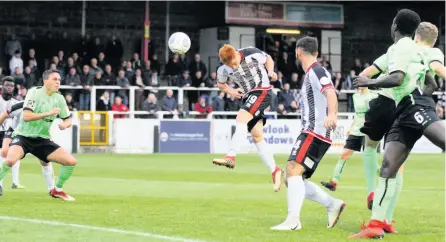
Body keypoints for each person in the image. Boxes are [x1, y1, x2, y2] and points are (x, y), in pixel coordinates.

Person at [350, 9, 445, 239]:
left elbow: (397, 78)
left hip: (414, 106)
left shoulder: (402, 46)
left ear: (394, 25)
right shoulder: (406, 50)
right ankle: (377, 225)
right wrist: (422, 86)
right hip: (404, 111)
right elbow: (432, 83)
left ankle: (380, 222)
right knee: (388, 168)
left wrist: (369, 83)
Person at [271, 37, 345, 230]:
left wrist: (332, 114)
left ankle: (293, 221)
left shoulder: (316, 71)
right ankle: (332, 204)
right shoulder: (311, 74)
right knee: (293, 177)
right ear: (317, 53)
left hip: (315, 132)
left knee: (293, 170)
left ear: (298, 53)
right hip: (314, 132)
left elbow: (330, 92)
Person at [211, 45, 283, 192]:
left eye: (235, 63)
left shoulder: (250, 53)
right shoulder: (222, 68)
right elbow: (221, 84)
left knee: (241, 118)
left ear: (236, 54)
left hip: (262, 91)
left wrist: (270, 71)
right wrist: (231, 91)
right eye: (231, 66)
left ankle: (231, 156)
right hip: (248, 96)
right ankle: (275, 170)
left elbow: (268, 58)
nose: (234, 67)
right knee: (257, 136)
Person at [0, 69, 77, 201]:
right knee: (10, 159)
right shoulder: (34, 93)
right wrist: (49, 113)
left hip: (42, 139)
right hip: (23, 136)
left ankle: (56, 190)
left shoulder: (59, 98)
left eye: (59, 80)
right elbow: (28, 116)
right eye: (54, 79)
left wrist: (65, 124)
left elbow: (68, 119)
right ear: (45, 80)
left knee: (71, 162)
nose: (58, 82)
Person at [320, 87, 378, 191]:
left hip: (368, 130)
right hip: (356, 131)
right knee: (344, 155)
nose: (359, 84)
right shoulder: (355, 96)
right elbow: (357, 114)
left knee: (369, 159)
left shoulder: (373, 96)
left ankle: (386, 174)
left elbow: (376, 112)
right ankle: (334, 182)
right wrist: (351, 127)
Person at [0, 101, 55, 194]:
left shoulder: (45, 107)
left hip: (35, 134)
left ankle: (52, 189)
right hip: (15, 132)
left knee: (45, 160)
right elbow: (3, 115)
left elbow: (46, 124)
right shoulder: (20, 105)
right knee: (5, 152)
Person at [0, 76, 21, 194]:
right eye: (7, 85)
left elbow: (20, 120)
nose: (9, 88)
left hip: (9, 133)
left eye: (11, 86)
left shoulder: (16, 103)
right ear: (2, 86)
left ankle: (12, 182)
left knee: (10, 156)